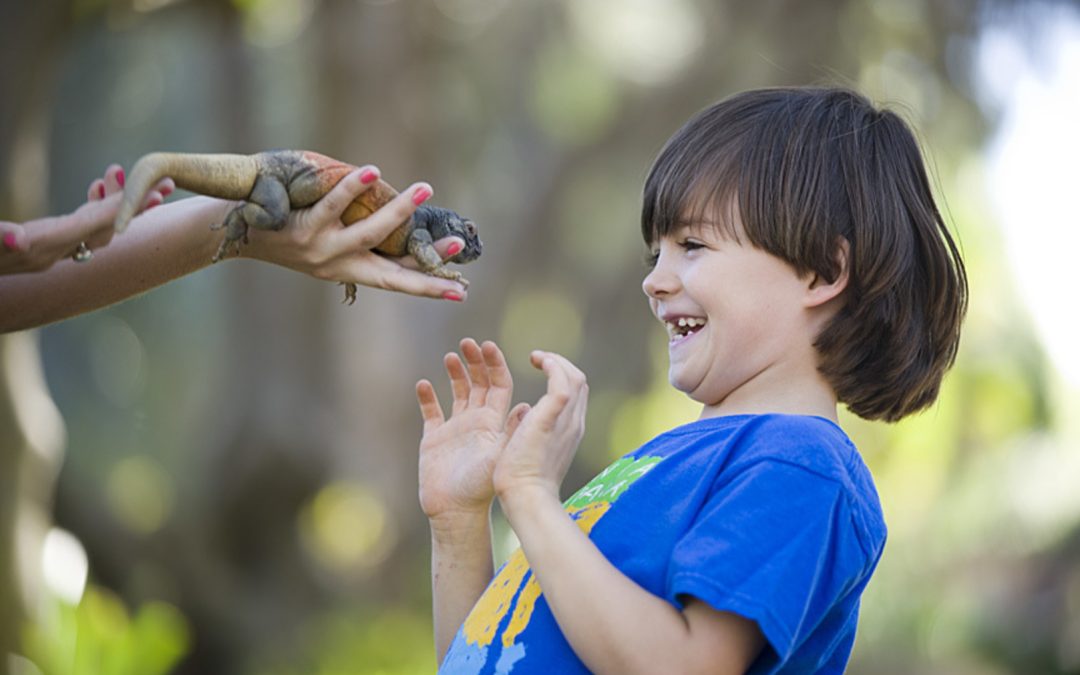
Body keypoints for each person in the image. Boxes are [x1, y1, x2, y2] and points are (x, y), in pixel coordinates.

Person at [414, 86, 968, 674]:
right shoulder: (665, 465)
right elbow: (483, 657)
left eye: (693, 245)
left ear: (822, 271)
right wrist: (459, 523)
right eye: (657, 253)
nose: (654, 280)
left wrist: (530, 496)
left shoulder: (800, 466)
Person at [1, 162, 468, 333]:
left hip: (282, 177)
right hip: (280, 182)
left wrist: (68, 244)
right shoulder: (420, 229)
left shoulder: (412, 226)